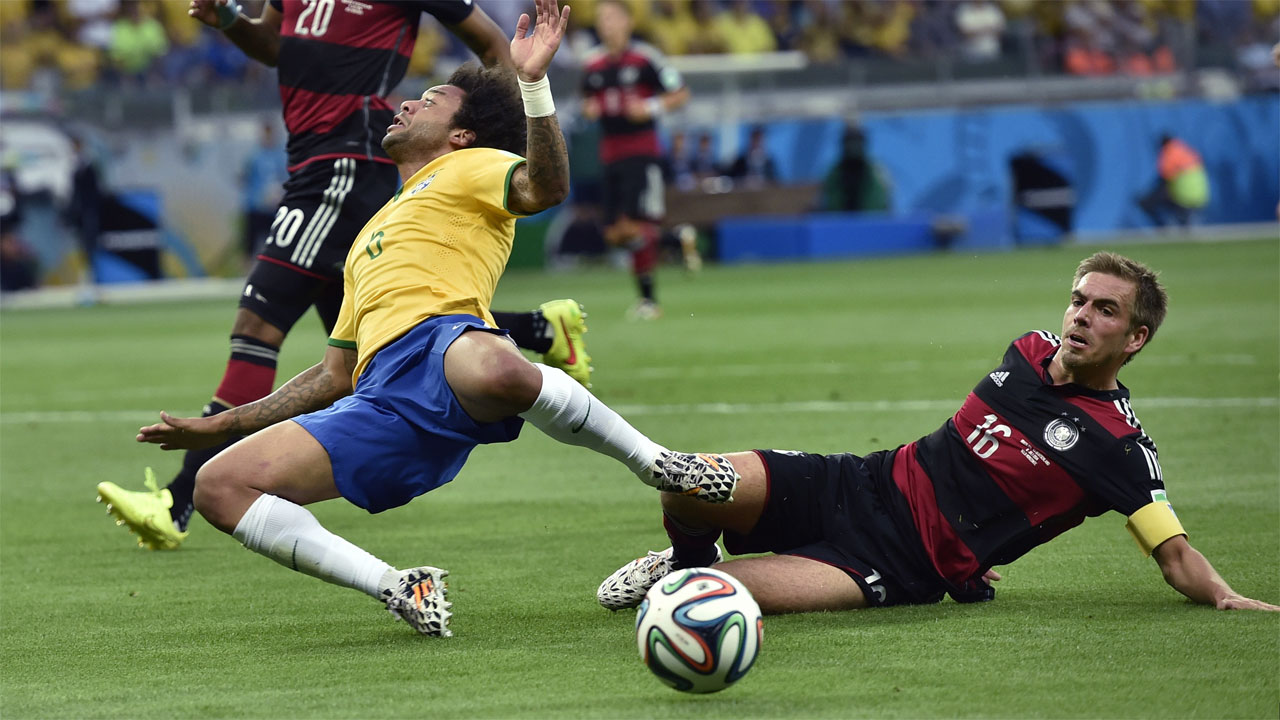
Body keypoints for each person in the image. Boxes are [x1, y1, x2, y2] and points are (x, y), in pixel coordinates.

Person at [129, 0, 738, 638]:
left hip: (450, 356)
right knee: (220, 487)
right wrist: (225, 424)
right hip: (379, 402)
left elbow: (545, 189)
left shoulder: (469, 168)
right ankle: (398, 586)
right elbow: (334, 373)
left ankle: (662, 465)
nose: (408, 102)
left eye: (430, 99)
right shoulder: (369, 232)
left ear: (461, 134)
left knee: (487, 362)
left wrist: (532, 82)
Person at [96, 0, 592, 552]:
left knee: (258, 325)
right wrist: (232, 21)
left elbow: (494, 48)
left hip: (347, 160)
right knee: (364, 324)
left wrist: (488, 134)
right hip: (309, 157)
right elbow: (283, 50)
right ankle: (541, 330)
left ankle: (178, 500)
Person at [598, 251, 1280, 615]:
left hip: (897, 563)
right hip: (855, 480)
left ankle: (693, 576)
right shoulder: (1029, 349)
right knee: (685, 481)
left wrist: (1223, 594)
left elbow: (1173, 551)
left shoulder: (1119, 449)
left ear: (1135, 338)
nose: (1080, 317)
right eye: (1078, 300)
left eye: (1104, 311)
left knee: (711, 600)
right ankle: (684, 556)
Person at [580, 0, 689, 321]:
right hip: (610, 153)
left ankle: (648, 301)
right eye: (602, 19)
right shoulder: (593, 64)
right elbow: (587, 102)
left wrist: (650, 107)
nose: (607, 24)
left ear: (628, 21)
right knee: (614, 233)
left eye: (612, 17)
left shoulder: (646, 58)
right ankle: (676, 239)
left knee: (635, 225)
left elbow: (680, 93)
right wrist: (590, 110)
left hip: (642, 151)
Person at [238, 117, 288, 263]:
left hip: (274, 209)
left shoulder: (281, 155)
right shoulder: (253, 156)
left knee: (278, 245)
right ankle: (245, 276)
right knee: (249, 245)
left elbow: (287, 178)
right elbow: (244, 178)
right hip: (255, 207)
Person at [1136, 134, 1209, 228]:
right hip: (1201, 195)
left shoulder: (1169, 153)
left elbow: (1164, 178)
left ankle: (1168, 227)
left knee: (1157, 200)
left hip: (1184, 195)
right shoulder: (1185, 150)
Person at [818, 123, 891, 212]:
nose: (853, 146)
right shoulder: (833, 173)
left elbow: (880, 207)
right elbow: (829, 205)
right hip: (840, 223)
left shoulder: (876, 172)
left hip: (869, 223)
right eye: (849, 141)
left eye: (856, 141)